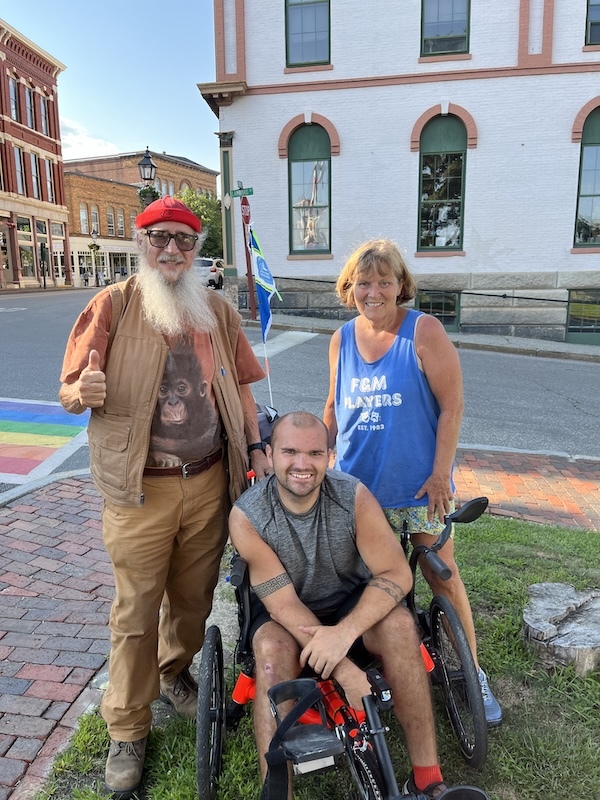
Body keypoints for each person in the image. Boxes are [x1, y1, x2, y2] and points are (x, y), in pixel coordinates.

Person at [59, 196, 270, 798]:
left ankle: (174, 673)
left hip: (208, 481)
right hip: (140, 491)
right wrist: (85, 390)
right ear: (141, 242)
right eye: (160, 239)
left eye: (183, 239)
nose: (172, 250)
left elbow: (245, 390)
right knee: (133, 612)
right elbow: (70, 389)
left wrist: (255, 449)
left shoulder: (218, 312)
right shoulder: (114, 306)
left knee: (193, 598)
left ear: (196, 248)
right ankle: (126, 725)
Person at [323, 238, 502, 728]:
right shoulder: (341, 339)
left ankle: (473, 673)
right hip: (361, 491)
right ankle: (386, 662)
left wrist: (441, 472)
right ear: (349, 287)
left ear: (401, 285)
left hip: (420, 487)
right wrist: (314, 452)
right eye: (364, 282)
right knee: (370, 583)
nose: (374, 291)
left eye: (385, 281)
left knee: (441, 573)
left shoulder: (424, 331)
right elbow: (334, 407)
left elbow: (452, 406)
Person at [230, 411, 449, 799]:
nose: (302, 464)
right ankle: (277, 793)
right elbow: (282, 604)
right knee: (269, 654)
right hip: (285, 612)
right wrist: (345, 671)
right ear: (269, 453)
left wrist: (343, 634)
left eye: (315, 453)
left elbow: (397, 574)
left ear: (330, 456)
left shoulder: (352, 496)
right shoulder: (248, 516)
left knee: (400, 627)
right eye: (290, 452)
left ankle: (428, 780)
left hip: (349, 601)